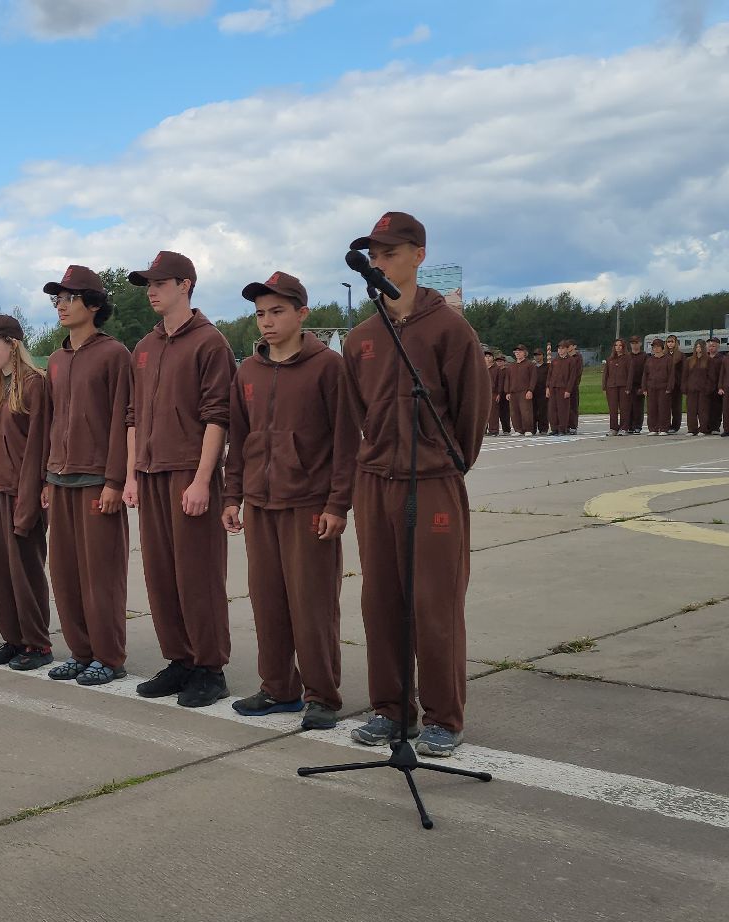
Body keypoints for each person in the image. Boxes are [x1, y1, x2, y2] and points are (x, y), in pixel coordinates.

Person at [341, 212, 490, 757]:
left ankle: (443, 716)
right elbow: (357, 413)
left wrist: (441, 463)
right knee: (381, 600)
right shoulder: (361, 338)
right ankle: (391, 708)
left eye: (390, 252)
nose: (379, 262)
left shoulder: (450, 329)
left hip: (431, 480)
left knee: (435, 601)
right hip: (376, 481)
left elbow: (471, 412)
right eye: (373, 255)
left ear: (418, 255)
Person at [222, 273, 359, 731]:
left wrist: (338, 504)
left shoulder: (328, 368)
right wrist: (232, 495)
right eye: (260, 313)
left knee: (312, 606)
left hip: (309, 506)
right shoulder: (248, 371)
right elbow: (239, 440)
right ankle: (279, 688)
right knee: (268, 602)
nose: (267, 321)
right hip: (260, 506)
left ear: (302, 314)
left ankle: (322, 695)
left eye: (277, 311)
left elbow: (346, 442)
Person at [124, 251, 234, 707]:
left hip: (188, 473)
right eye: (148, 284)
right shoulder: (144, 348)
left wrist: (203, 480)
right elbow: (133, 417)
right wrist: (131, 474)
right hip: (150, 474)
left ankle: (210, 667)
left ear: (185, 285)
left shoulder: (210, 343)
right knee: (160, 575)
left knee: (197, 575)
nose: (151, 291)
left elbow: (217, 416)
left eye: (160, 283)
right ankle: (180, 660)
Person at [41, 265, 133, 687]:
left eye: (70, 298)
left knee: (101, 575)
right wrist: (47, 476)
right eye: (57, 299)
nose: (61, 306)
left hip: (97, 481)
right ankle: (81, 652)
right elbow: (51, 421)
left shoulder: (114, 355)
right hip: (60, 479)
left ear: (93, 304)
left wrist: (115, 480)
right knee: (65, 574)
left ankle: (108, 656)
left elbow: (122, 419)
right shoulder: (56, 360)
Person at [0, 314, 54, 671]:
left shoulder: (34, 385)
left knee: (25, 570)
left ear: (13, 344)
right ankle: (14, 638)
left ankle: (37, 643)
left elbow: (38, 445)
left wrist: (30, 495)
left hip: (19, 491)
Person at [643, 337, 677, 435]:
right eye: (654, 347)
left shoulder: (668, 359)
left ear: (662, 347)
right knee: (652, 409)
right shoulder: (649, 360)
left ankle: (663, 428)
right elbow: (645, 374)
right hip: (651, 387)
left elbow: (671, 375)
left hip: (664, 387)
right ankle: (653, 428)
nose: (656, 349)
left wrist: (669, 387)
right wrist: (644, 388)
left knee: (664, 408)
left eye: (658, 347)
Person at [507, 345, 539, 436]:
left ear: (525, 353)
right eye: (516, 352)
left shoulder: (530, 364)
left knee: (526, 411)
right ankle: (518, 429)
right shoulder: (511, 365)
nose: (517, 353)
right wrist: (507, 391)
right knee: (514, 412)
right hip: (513, 391)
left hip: (524, 391)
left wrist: (530, 390)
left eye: (520, 351)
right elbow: (508, 379)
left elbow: (533, 378)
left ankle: (528, 429)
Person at [686, 341, 716, 435]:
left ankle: (703, 429)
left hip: (703, 389)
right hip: (692, 389)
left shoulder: (709, 360)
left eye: (700, 347)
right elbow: (685, 375)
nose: (698, 349)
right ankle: (692, 429)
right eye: (696, 347)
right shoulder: (689, 360)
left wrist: (708, 388)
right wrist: (686, 387)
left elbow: (712, 376)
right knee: (691, 410)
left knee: (703, 410)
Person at [602, 338, 631, 435]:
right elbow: (606, 374)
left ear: (623, 347)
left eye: (620, 345)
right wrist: (604, 387)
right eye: (616, 345)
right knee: (613, 408)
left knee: (624, 408)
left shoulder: (628, 358)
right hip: (611, 386)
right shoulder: (610, 359)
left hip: (623, 386)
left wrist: (628, 387)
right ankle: (613, 428)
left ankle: (624, 428)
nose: (618, 347)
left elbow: (630, 374)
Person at [624, 335, 648, 433]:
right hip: (628, 384)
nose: (634, 345)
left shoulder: (644, 356)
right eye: (632, 343)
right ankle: (629, 425)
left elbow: (646, 371)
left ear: (640, 344)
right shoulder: (627, 356)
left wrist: (643, 386)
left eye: (636, 343)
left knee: (638, 407)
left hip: (639, 384)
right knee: (628, 406)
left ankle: (637, 426)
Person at [663, 335, 685, 432]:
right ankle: (666, 425)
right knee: (666, 406)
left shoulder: (681, 355)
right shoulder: (664, 355)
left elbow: (684, 370)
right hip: (666, 384)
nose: (670, 344)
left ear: (676, 343)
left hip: (677, 384)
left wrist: (682, 383)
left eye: (672, 342)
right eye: (668, 342)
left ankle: (675, 426)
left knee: (676, 407)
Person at [483, 348, 506, 437]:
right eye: (486, 356)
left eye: (489, 356)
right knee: (483, 413)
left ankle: (494, 430)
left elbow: (500, 382)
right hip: (483, 393)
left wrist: (499, 393)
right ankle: (483, 430)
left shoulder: (497, 369)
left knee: (493, 413)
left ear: (493, 358)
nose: (488, 358)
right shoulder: (481, 368)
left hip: (493, 393)